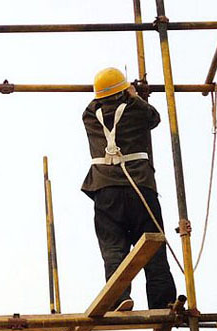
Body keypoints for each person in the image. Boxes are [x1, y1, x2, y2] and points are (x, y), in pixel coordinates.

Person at [81, 67, 176, 311]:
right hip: (140, 187)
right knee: (153, 247)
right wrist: (135, 95)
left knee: (113, 247)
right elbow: (153, 118)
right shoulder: (137, 110)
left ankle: (118, 296)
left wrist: (119, 92)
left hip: (105, 189)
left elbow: (95, 103)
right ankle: (163, 302)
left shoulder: (90, 116)